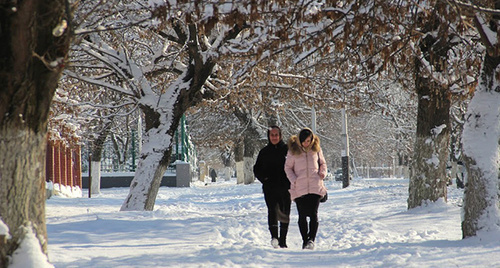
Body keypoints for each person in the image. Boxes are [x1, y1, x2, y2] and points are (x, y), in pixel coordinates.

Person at [284, 128, 327, 250]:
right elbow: (287, 168)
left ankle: (311, 240)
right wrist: (294, 180)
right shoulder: (293, 151)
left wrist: (322, 172)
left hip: (315, 185)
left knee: (313, 214)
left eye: (308, 141)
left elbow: (323, 163)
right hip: (299, 187)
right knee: (302, 215)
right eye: (304, 141)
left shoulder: (316, 150)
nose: (306, 143)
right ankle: (305, 240)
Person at [253, 126, 291, 248]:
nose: (274, 137)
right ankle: (274, 237)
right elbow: (256, 169)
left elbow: (296, 166)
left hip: (286, 187)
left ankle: (283, 240)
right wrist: (264, 179)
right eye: (272, 135)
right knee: (272, 211)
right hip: (270, 188)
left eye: (276, 135)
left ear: (280, 136)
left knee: (285, 212)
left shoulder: (288, 150)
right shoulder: (264, 152)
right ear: (269, 136)